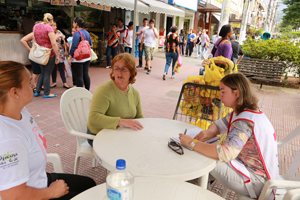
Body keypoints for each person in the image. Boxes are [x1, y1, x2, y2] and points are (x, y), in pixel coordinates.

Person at [0, 61, 97, 200]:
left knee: (90, 184)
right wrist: (51, 192)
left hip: (38, 180)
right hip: (29, 194)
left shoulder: (20, 111)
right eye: (29, 83)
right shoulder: (8, 139)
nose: (34, 86)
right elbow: (13, 196)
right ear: (14, 92)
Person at [179, 73, 279, 198]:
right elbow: (219, 124)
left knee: (204, 156)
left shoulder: (244, 122)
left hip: (257, 182)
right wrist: (210, 132)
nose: (219, 96)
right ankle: (197, 186)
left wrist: (192, 143)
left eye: (223, 92)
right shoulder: (245, 111)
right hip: (254, 171)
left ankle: (194, 190)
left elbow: (225, 153)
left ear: (236, 93)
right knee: (207, 149)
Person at [86, 53, 144, 147]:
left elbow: (139, 116)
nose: (119, 72)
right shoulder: (104, 90)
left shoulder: (134, 93)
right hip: (98, 135)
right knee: (128, 150)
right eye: (116, 68)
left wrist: (146, 129)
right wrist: (121, 122)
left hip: (120, 134)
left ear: (132, 72)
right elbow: (93, 118)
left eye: (124, 69)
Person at [34, 13, 60, 98]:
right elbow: (53, 43)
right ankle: (47, 92)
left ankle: (37, 91)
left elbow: (35, 39)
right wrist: (58, 55)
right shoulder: (49, 28)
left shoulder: (36, 26)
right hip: (49, 53)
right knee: (47, 73)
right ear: (51, 20)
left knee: (42, 72)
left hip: (40, 52)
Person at [68, 17, 92, 91]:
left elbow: (74, 46)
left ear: (76, 23)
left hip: (78, 59)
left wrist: (70, 57)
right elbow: (90, 44)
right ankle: (87, 91)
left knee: (79, 76)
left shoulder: (77, 33)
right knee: (86, 75)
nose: (73, 24)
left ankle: (80, 92)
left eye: (73, 23)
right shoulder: (86, 32)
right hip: (87, 57)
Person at [20, 21, 42, 92]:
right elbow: (23, 40)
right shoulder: (33, 34)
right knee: (36, 71)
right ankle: (34, 85)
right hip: (35, 55)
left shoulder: (42, 34)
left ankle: (38, 85)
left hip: (41, 55)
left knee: (40, 71)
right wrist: (29, 49)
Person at [51, 21, 70, 89]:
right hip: (52, 51)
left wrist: (65, 50)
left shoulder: (58, 31)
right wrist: (58, 36)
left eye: (55, 26)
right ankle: (54, 82)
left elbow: (64, 40)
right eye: (53, 26)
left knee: (61, 67)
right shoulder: (49, 32)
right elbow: (52, 41)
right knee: (53, 68)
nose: (55, 27)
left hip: (60, 51)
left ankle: (64, 82)